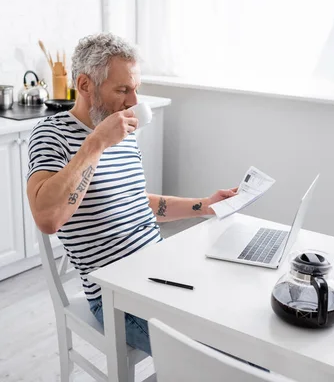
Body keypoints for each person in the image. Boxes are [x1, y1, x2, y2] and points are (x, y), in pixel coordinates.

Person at [26, 33, 237, 355]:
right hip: (114, 294)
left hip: (160, 269)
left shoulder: (122, 132)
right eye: (123, 90)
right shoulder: (52, 134)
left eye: (135, 88)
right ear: (85, 85)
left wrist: (205, 205)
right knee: (221, 359)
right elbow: (49, 219)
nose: (133, 101)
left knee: (243, 326)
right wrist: (96, 143)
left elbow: (135, 203)